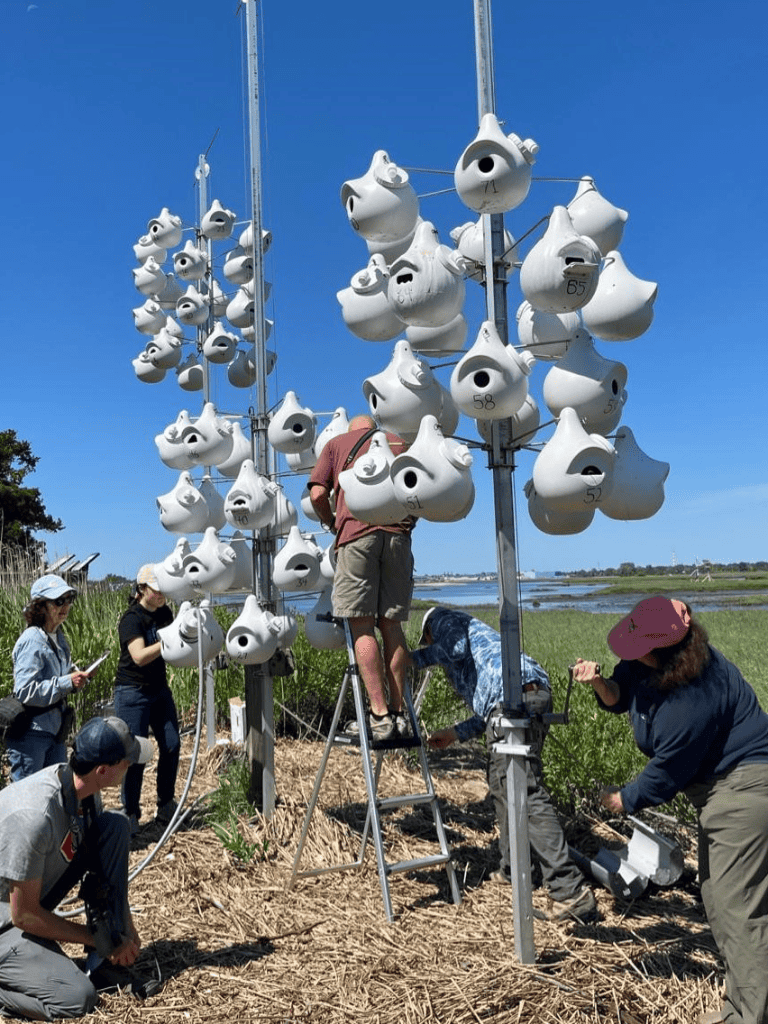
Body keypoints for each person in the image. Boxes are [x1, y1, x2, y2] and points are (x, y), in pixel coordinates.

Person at [572, 595, 768, 1024]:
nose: (626, 650)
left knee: (737, 908)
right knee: (719, 897)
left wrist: (624, 799)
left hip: (743, 790)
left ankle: (751, 1014)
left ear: (662, 649)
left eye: (636, 644)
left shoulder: (692, 697)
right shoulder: (657, 662)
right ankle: (746, 1002)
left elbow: (667, 772)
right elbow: (623, 691)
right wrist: (600, 684)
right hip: (723, 793)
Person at [409, 606, 596, 921]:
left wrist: (409, 660)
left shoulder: (443, 621)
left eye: (428, 643)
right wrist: (455, 733)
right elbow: (488, 712)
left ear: (428, 632)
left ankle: (570, 890)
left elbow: (454, 649)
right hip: (520, 699)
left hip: (515, 701)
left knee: (525, 790)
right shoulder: (481, 646)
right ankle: (517, 869)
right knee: (501, 784)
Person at [0, 715, 153, 1020]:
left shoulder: (81, 788)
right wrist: (96, 939)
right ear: (103, 770)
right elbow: (23, 914)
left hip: (28, 896)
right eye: (127, 761)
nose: (131, 767)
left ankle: (104, 964)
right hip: (8, 917)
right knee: (76, 998)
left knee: (114, 828)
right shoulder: (34, 817)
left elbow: (96, 873)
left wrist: (122, 928)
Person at [309, 414, 416, 744]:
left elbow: (316, 495)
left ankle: (379, 715)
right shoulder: (400, 444)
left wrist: (333, 525)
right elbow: (421, 489)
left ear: (351, 432)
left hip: (356, 535)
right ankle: (400, 716)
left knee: (361, 625)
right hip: (398, 537)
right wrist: (406, 524)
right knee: (392, 626)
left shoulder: (335, 445)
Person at [113, 565, 179, 834]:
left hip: (159, 688)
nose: (162, 594)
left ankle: (165, 804)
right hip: (132, 692)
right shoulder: (131, 619)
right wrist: (169, 641)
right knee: (135, 753)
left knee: (172, 744)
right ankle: (130, 812)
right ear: (142, 589)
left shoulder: (164, 613)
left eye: (164, 588)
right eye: (157, 589)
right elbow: (139, 656)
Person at [9, 574, 92, 782]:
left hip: (55, 732)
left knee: (55, 792)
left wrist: (77, 679)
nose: (65, 606)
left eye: (68, 600)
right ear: (41, 606)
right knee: (27, 797)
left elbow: (58, 680)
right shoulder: (32, 640)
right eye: (58, 601)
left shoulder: (58, 637)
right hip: (32, 734)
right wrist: (67, 682)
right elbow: (25, 691)